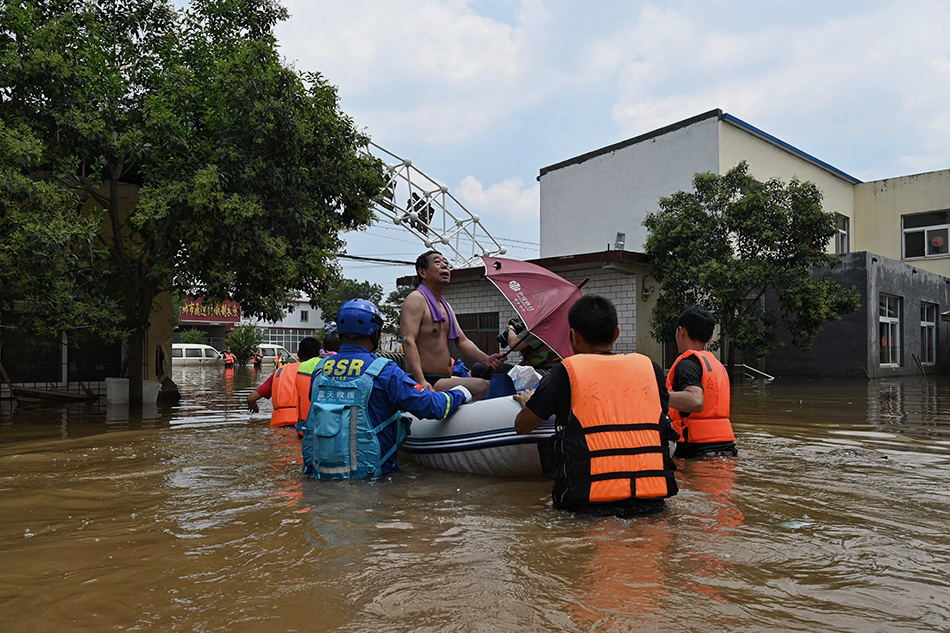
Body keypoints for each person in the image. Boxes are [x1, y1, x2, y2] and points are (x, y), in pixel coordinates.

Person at [512, 295, 678, 517]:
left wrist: (527, 403)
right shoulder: (651, 369)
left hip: (587, 506)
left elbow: (522, 426)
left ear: (574, 336)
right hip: (652, 504)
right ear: (617, 333)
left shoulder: (563, 373)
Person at [300, 298, 474, 479]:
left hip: (320, 473)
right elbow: (433, 406)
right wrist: (460, 392)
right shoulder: (384, 370)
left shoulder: (320, 370)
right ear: (375, 332)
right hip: (374, 479)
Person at [401, 250, 505, 400]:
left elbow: (462, 341)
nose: (444, 265)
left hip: (444, 377)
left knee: (491, 385)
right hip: (426, 380)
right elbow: (408, 341)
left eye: (446, 263)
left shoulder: (446, 306)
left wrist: (486, 359)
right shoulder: (416, 299)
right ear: (422, 272)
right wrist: (421, 381)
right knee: (484, 386)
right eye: (437, 262)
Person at [666, 307, 737, 458]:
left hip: (696, 451)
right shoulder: (716, 365)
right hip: (728, 449)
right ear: (710, 338)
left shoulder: (686, 364)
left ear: (681, 332)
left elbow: (695, 401)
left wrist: (656, 395)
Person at [247, 337, 322, 429]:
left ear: (298, 354)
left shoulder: (280, 372)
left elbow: (251, 398)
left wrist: (254, 406)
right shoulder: (321, 371)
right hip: (306, 425)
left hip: (280, 426)